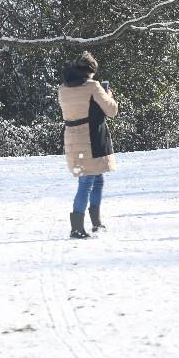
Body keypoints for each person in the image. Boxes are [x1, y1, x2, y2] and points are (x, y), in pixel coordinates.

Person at [57, 51, 119, 239]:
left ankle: (96, 222)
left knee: (96, 178)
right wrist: (108, 95)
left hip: (72, 137)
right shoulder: (93, 86)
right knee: (87, 182)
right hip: (91, 139)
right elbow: (111, 110)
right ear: (91, 70)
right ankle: (77, 228)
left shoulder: (63, 88)